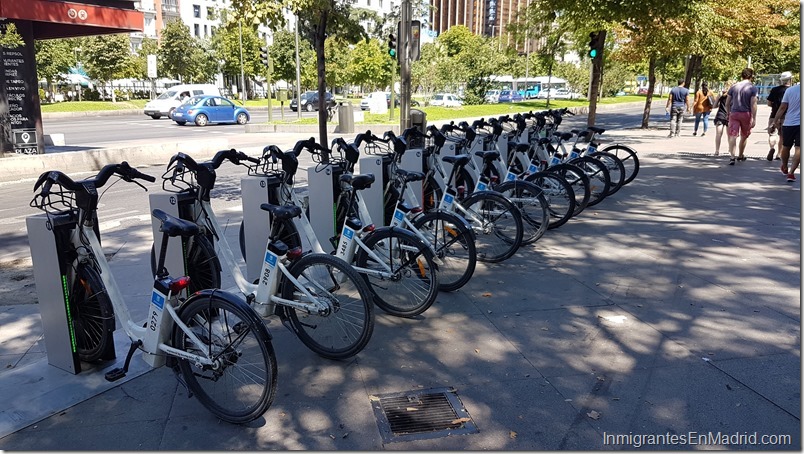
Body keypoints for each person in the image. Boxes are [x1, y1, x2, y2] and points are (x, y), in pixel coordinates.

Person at [725, 68, 758, 165]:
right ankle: (740, 155)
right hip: (746, 114)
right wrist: (754, 117)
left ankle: (732, 157)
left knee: (733, 135)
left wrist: (728, 113)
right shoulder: (752, 88)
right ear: (751, 76)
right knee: (744, 135)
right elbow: (753, 104)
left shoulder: (734, 87)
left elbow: (727, 103)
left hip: (734, 113)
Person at [773, 81, 800, 182]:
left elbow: (783, 107)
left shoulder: (790, 90)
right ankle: (791, 173)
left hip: (789, 123)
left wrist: (775, 120)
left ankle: (784, 166)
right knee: (799, 148)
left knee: (786, 146)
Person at [766, 71, 793, 160]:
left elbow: (769, 103)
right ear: (790, 79)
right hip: (786, 116)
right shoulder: (791, 90)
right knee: (782, 136)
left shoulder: (774, 89)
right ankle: (778, 154)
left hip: (773, 115)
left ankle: (771, 148)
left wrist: (774, 105)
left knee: (772, 134)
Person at [712, 81, 732, 156]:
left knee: (718, 134)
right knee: (729, 134)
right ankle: (730, 149)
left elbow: (714, 106)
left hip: (720, 115)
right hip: (729, 115)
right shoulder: (733, 95)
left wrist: (718, 98)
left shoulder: (721, 94)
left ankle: (717, 150)